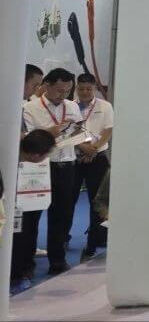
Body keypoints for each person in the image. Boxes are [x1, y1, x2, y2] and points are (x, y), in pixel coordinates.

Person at [22, 68, 81, 276]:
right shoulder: (30, 107)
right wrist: (51, 132)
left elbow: (78, 130)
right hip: (39, 168)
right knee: (31, 217)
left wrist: (79, 134)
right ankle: (26, 264)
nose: (63, 95)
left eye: (68, 91)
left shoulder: (72, 106)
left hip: (67, 166)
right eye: (59, 90)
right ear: (46, 85)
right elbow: (28, 139)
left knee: (61, 216)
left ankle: (57, 261)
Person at [11, 129, 58, 291]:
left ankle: (26, 268)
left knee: (30, 231)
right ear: (35, 156)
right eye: (47, 154)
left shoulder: (36, 160)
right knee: (17, 236)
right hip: (12, 204)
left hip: (32, 201)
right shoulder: (10, 157)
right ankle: (15, 274)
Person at [72, 73, 112, 260]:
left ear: (95, 88)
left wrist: (93, 150)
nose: (85, 92)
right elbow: (69, 132)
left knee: (97, 200)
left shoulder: (105, 106)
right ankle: (62, 238)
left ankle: (93, 243)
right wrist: (83, 148)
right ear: (76, 88)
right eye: (81, 88)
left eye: (89, 88)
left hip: (98, 158)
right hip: (74, 157)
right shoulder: (70, 106)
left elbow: (108, 130)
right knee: (67, 200)